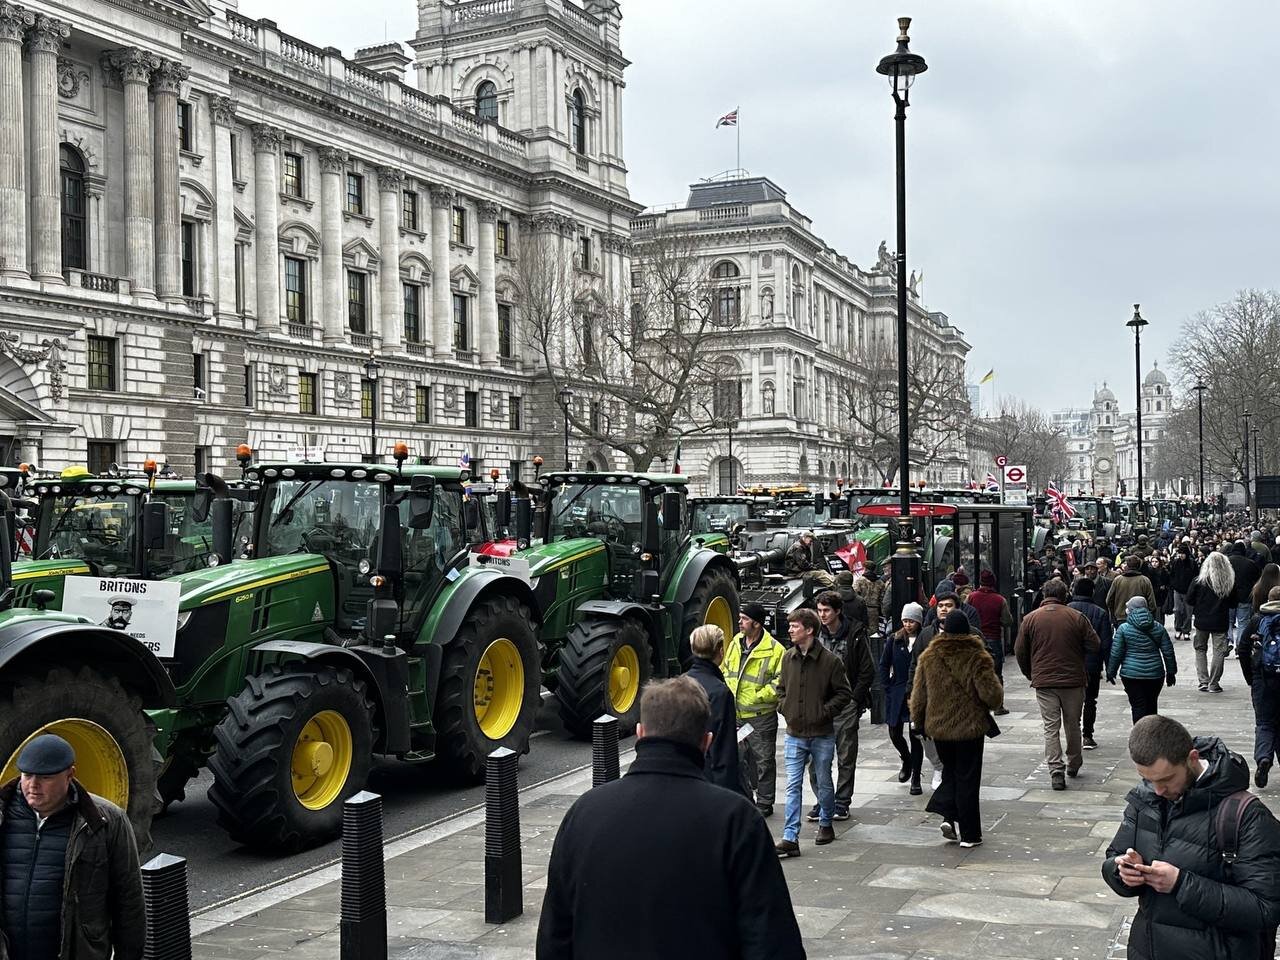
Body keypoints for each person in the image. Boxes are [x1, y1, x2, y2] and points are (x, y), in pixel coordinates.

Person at [537, 676, 805, 960]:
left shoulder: (583, 813)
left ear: (640, 733)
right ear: (706, 742)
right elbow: (772, 943)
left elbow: (554, 937)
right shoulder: (737, 821)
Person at [1102, 715, 1280, 960]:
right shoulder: (1145, 799)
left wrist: (1181, 884)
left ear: (1192, 758)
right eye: (1148, 779)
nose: (1158, 790)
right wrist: (1121, 870)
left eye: (1165, 779)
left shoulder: (1246, 815)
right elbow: (1113, 857)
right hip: (1148, 949)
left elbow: (1266, 907)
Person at [0, 733, 144, 960]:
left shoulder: (106, 821)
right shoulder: (3, 814)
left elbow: (128, 899)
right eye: (27, 775)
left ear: (70, 775)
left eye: (45, 778)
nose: (33, 785)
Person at [909, 609, 1004, 848]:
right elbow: (991, 695)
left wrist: (918, 722)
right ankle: (970, 835)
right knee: (968, 779)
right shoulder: (977, 656)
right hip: (969, 728)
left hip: (939, 728)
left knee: (951, 772)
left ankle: (949, 817)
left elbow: (919, 694)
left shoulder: (929, 656)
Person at [774, 608, 852, 857]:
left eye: (794, 626)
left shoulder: (830, 661)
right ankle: (790, 836)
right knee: (793, 785)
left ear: (809, 630)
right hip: (794, 732)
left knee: (823, 780)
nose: (789, 630)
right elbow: (780, 689)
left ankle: (826, 823)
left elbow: (844, 694)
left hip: (821, 733)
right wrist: (784, 707)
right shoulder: (788, 658)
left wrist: (824, 711)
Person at [1015, 578, 1101, 791]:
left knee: (1050, 727)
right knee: (1073, 723)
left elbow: (1020, 651)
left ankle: (1055, 771)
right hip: (1073, 680)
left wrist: (1030, 673)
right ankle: (1074, 762)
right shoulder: (1076, 617)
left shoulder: (1030, 619)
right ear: (1065, 595)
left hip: (1044, 681)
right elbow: (1095, 644)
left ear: (1044, 595)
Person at [807, 591, 874, 823]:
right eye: (820, 610)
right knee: (816, 758)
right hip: (820, 705)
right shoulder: (814, 634)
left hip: (845, 704)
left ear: (837, 611)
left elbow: (867, 670)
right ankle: (823, 800)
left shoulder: (855, 633)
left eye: (826, 610)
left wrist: (855, 699)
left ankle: (842, 801)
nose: (822, 615)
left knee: (846, 756)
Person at [724, 602, 786, 816]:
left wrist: (757, 697)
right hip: (737, 714)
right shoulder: (735, 642)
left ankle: (764, 803)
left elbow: (780, 682)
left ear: (757, 624)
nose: (739, 622)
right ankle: (744, 798)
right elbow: (726, 669)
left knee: (764, 760)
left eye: (744, 619)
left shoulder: (776, 650)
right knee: (738, 759)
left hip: (760, 716)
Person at [686, 624, 749, 797]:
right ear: (720, 650)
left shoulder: (680, 683)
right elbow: (724, 750)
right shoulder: (720, 692)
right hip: (709, 777)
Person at [1107, 596, 1177, 723]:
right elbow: (1168, 652)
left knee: (1138, 706)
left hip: (1131, 675)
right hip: (1155, 675)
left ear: (1131, 610)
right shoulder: (1158, 627)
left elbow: (1116, 653)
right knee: (1151, 706)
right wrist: (1171, 672)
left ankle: (1139, 738)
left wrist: (1111, 672)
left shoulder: (1123, 628)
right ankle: (1151, 737)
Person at [881, 601, 925, 795]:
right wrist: (886, 686)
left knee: (915, 735)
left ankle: (916, 776)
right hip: (897, 690)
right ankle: (906, 759)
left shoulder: (924, 639)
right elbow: (884, 664)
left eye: (912, 621)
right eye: (905, 620)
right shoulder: (894, 639)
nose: (908, 624)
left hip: (917, 692)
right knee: (894, 732)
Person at [1239, 586, 1280, 788]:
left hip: (1263, 679)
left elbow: (1242, 647)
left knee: (1265, 722)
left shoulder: (1257, 619)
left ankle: (1264, 758)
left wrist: (1251, 676)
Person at [1067, 577, 1113, 750]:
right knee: (1090, 700)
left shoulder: (1067, 610)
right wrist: (1110, 668)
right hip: (1092, 664)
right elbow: (1106, 643)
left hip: (1071, 663)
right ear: (1092, 592)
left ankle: (1074, 732)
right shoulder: (1100, 612)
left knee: (1073, 700)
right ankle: (1087, 735)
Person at [1187, 551, 1235, 692]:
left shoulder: (1199, 581)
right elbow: (1233, 603)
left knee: (1200, 649)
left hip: (1202, 620)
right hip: (1220, 620)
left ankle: (1203, 680)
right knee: (1219, 651)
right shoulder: (1228, 583)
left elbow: (1189, 599)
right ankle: (1214, 683)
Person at [967, 570, 1013, 708]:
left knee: (974, 671)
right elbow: (1007, 621)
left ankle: (976, 701)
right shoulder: (1000, 600)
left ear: (980, 582)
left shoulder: (971, 597)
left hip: (975, 639)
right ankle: (999, 706)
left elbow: (965, 613)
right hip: (993, 639)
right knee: (996, 673)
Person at [1105, 554, 1158, 627]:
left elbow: (1108, 600)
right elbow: (1152, 604)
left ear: (1127, 566)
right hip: (1141, 619)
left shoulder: (1118, 580)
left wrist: (1113, 616)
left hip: (1121, 618)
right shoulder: (1145, 580)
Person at [1229, 541, 1262, 655]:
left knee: (1228, 621)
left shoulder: (1227, 562)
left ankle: (1228, 641)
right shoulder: (1250, 563)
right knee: (1243, 623)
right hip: (1245, 597)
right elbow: (1258, 579)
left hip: (1228, 596)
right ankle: (1240, 646)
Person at [1168, 541, 1198, 641]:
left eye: (1182, 553)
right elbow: (1171, 574)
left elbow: (1195, 577)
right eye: (1179, 553)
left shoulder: (1192, 563)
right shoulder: (1176, 563)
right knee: (1177, 610)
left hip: (1189, 591)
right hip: (1177, 590)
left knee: (1188, 612)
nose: (1181, 555)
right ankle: (1178, 628)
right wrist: (1173, 585)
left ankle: (1186, 630)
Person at [853, 561, 888, 632]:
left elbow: (855, 594)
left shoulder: (860, 581)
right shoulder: (880, 583)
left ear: (865, 568)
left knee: (861, 630)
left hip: (862, 609)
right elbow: (882, 598)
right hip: (874, 610)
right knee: (873, 632)